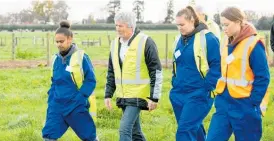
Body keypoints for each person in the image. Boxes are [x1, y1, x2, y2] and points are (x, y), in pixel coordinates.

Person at [206, 7, 270, 141]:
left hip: (245, 104)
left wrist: (253, 102)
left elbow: (263, 77)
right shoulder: (225, 40)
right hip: (223, 102)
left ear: (239, 21)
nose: (224, 28)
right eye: (222, 24)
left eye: (227, 24)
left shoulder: (253, 43)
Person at [104, 11, 163, 141]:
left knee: (124, 129)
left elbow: (156, 71)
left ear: (131, 26)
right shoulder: (114, 44)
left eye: (121, 26)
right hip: (123, 95)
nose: (118, 29)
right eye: (116, 26)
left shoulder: (146, 41)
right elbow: (111, 72)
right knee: (136, 133)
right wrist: (108, 94)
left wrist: (155, 97)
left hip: (138, 95)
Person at [170, 6, 221, 141]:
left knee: (184, 131)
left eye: (182, 24)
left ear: (192, 20)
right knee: (193, 128)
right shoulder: (178, 40)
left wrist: (206, 87)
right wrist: (174, 83)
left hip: (199, 94)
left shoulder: (208, 38)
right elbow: (176, 64)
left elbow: (218, 65)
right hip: (179, 93)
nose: (179, 28)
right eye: (177, 25)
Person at [42, 21, 98, 141]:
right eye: (56, 42)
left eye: (61, 41)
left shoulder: (81, 57)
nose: (58, 44)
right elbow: (54, 81)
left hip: (75, 105)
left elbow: (91, 80)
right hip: (56, 105)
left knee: (90, 137)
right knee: (48, 136)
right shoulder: (55, 59)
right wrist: (51, 98)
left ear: (70, 39)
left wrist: (81, 98)